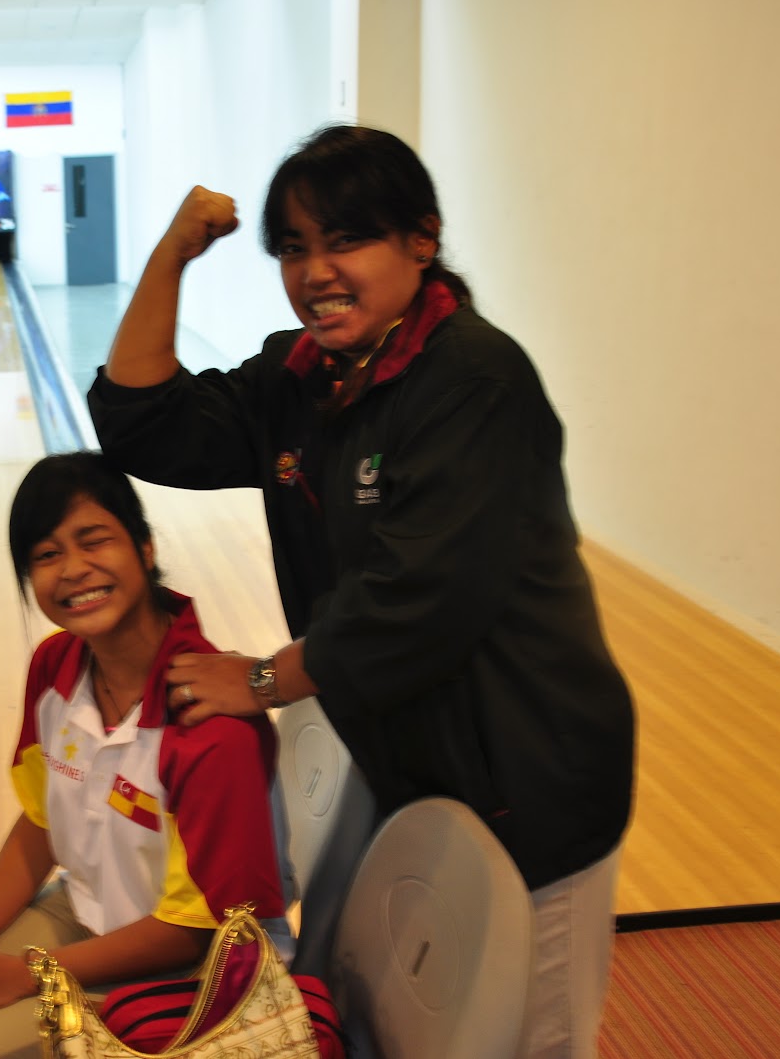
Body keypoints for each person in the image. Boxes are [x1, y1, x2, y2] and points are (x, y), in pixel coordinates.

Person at [88, 124, 636, 1059]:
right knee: (414, 1023)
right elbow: (144, 424)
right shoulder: (304, 378)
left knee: (532, 1037)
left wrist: (260, 680)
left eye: (345, 239)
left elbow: (414, 604)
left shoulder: (475, 383)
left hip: (530, 767)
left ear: (421, 240)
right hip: (412, 752)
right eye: (293, 248)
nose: (315, 271)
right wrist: (171, 254)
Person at [0, 452, 285, 1058]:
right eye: (47, 555)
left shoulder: (211, 731)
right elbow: (40, 826)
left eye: (94, 541)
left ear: (145, 548)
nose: (74, 570)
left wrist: (28, 973)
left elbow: (194, 935)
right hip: (83, 914)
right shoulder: (54, 668)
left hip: (189, 977)